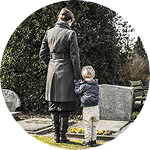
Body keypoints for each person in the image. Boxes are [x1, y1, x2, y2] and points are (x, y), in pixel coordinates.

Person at [39, 8, 81, 143]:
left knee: (53, 103)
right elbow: (75, 56)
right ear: (69, 20)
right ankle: (62, 136)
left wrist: (51, 64)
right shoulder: (70, 33)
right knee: (65, 105)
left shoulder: (49, 32)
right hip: (67, 70)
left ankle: (56, 136)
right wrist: (77, 76)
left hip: (52, 70)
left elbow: (42, 54)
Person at [74, 66, 100, 147]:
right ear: (94, 75)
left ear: (83, 76)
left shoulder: (84, 86)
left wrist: (77, 84)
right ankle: (94, 140)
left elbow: (77, 91)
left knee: (88, 125)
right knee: (94, 125)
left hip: (87, 108)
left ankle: (87, 141)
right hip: (95, 107)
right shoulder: (96, 85)